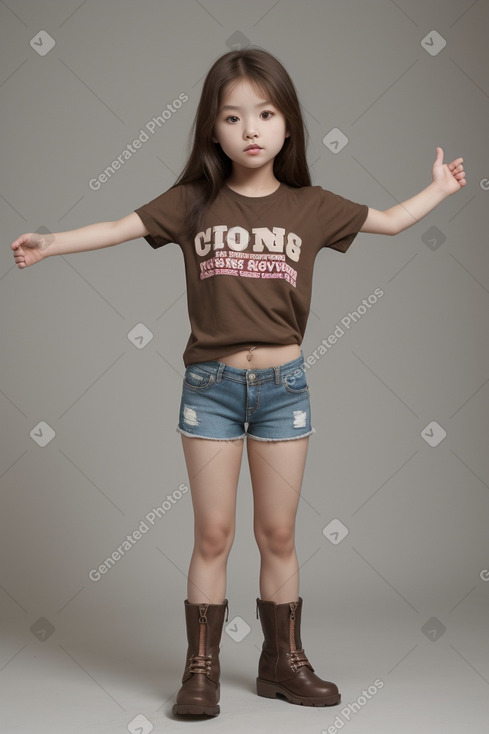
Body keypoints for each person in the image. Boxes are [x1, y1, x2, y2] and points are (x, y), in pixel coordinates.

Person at [10, 48, 466, 718]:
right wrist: (50, 243)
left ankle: (282, 662)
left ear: (287, 128)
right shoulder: (191, 202)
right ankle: (201, 671)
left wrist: (440, 188)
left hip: (283, 388)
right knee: (213, 533)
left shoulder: (312, 206)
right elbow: (117, 226)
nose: (249, 128)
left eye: (264, 113)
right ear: (212, 131)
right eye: (232, 117)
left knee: (277, 534)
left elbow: (391, 221)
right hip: (211, 391)